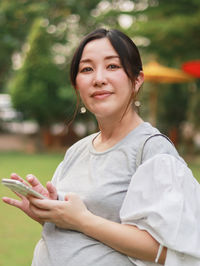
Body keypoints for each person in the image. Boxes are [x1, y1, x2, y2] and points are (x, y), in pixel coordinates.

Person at [2, 28, 200, 266]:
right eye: (87, 69)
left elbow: (168, 251)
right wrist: (50, 214)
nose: (98, 78)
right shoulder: (76, 151)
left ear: (137, 80)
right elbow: (76, 226)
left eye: (112, 66)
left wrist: (82, 220)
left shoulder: (151, 150)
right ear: (77, 85)